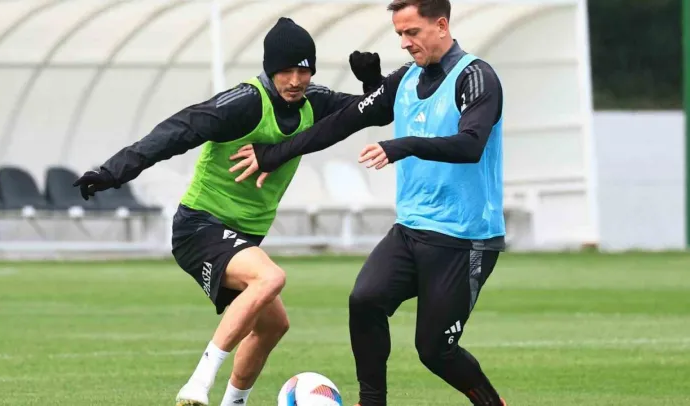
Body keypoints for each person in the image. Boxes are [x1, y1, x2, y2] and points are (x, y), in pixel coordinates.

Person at [71, 17, 380, 406]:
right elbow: (176, 131)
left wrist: (373, 83)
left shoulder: (314, 102)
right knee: (270, 277)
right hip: (200, 227)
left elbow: (371, 111)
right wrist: (112, 171)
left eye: (304, 70)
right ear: (270, 69)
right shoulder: (245, 103)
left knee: (273, 326)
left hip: (244, 236)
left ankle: (233, 403)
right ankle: (198, 383)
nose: (295, 80)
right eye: (286, 70)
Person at [228, 1, 508, 405]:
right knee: (365, 301)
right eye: (399, 34)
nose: (404, 42)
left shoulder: (477, 77)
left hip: (465, 237)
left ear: (441, 25)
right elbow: (341, 123)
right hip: (411, 229)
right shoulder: (406, 78)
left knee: (436, 351)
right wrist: (274, 154)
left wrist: (400, 146)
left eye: (412, 32)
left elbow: (470, 144)